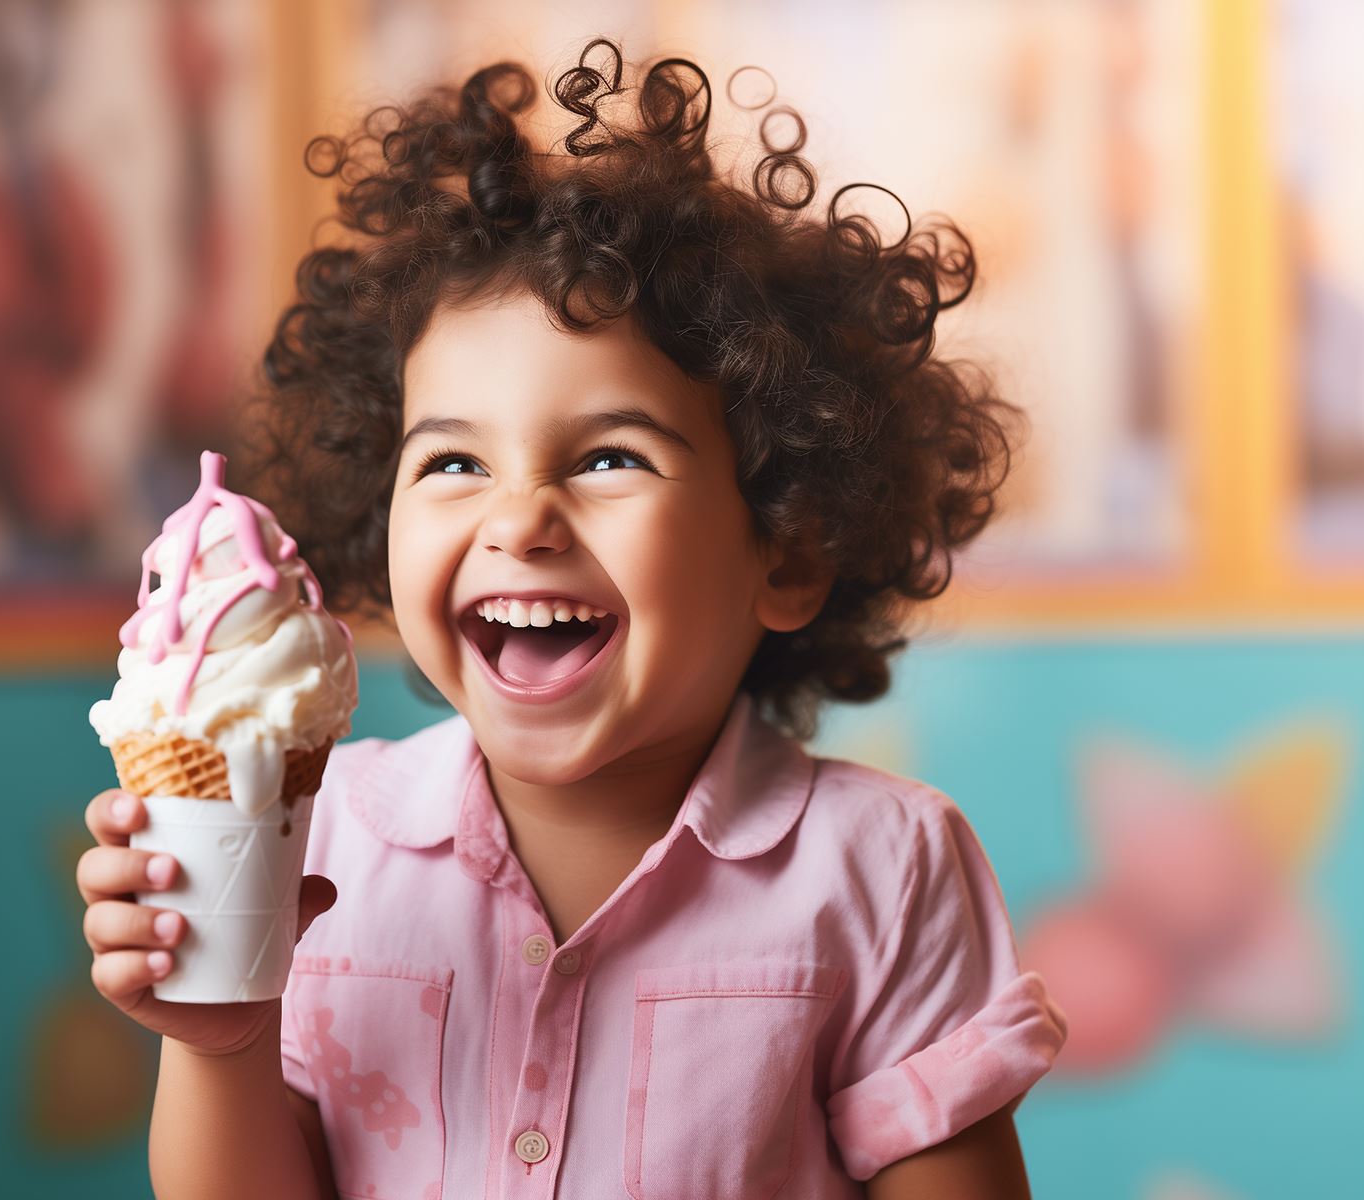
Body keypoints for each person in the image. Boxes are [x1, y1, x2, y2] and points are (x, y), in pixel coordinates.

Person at [77, 36, 1068, 1199]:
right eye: (452, 463)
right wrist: (219, 1040)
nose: (520, 518)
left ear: (787, 547)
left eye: (607, 457)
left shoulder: (880, 868)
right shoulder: (323, 834)